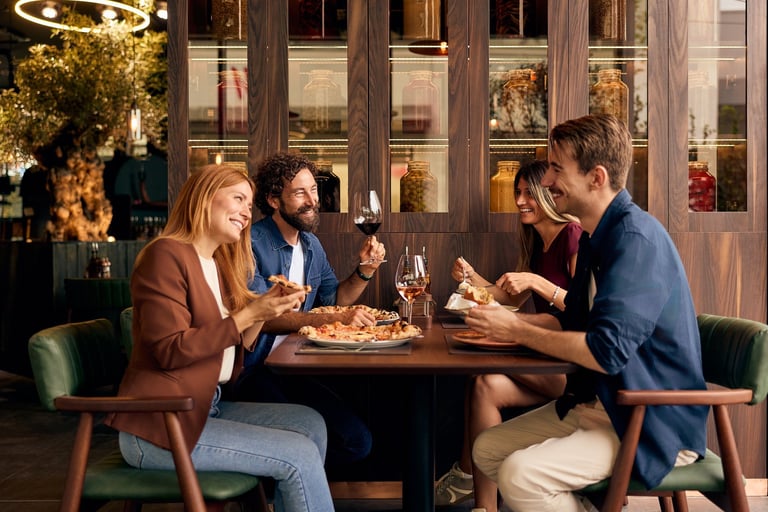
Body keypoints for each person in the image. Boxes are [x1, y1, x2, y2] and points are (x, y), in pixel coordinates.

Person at [468, 114, 708, 512]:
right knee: (487, 449)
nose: (546, 183)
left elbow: (605, 351)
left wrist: (515, 328)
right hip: (602, 403)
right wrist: (498, 322)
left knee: (520, 474)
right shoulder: (599, 237)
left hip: (647, 419)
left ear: (596, 177)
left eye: (556, 170)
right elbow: (569, 322)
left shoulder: (636, 240)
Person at [105, 165, 335, 512]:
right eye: (238, 199)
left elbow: (235, 343)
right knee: (298, 454)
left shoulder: (216, 262)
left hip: (205, 408)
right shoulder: (165, 256)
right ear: (203, 200)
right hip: (161, 426)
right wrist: (250, 314)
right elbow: (171, 350)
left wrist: (265, 309)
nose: (247, 212)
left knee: (310, 423)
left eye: (250, 202)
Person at [436, 160, 581, 510]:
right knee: (485, 383)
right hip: (545, 357)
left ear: (549, 195)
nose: (519, 201)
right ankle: (484, 506)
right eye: (518, 193)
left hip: (575, 365)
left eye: (528, 193)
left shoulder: (572, 235)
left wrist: (536, 282)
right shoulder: (538, 241)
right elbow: (509, 296)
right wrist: (472, 277)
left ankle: (465, 473)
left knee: (483, 361)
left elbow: (583, 308)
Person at [230, 151, 386, 467]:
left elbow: (334, 301)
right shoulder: (250, 243)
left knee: (357, 441)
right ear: (274, 200)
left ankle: (285, 480)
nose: (312, 200)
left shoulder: (310, 244)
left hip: (296, 365)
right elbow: (263, 317)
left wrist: (366, 269)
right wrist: (336, 317)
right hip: (253, 371)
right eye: (300, 192)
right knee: (317, 439)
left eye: (313, 189)